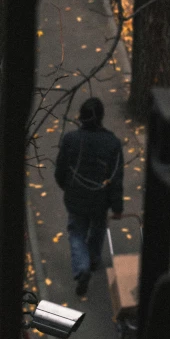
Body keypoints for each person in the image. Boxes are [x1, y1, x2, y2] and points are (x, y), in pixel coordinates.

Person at [55, 97, 124, 296]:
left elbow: (60, 171)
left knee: (76, 232)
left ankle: (82, 267)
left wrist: (67, 187)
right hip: (99, 200)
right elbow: (116, 178)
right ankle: (93, 258)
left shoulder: (70, 140)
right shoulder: (112, 143)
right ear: (101, 117)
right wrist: (117, 207)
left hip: (75, 197)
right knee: (98, 228)